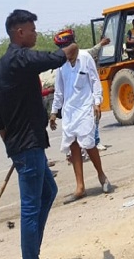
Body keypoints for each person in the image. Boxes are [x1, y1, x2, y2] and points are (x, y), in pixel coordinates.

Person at [0, 9, 76, 259]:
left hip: (26, 144)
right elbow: (47, 60)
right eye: (32, 30)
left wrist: (10, 140)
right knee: (30, 208)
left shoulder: (0, 67)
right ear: (19, 33)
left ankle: (33, 251)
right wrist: (66, 52)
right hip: (27, 146)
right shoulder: (18, 60)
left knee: (48, 192)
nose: (35, 33)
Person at [49, 29, 112, 202]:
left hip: (85, 108)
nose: (65, 51)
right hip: (69, 111)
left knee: (89, 143)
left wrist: (97, 102)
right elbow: (59, 92)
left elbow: (95, 81)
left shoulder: (86, 57)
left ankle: (102, 176)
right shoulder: (61, 64)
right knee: (73, 145)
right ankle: (80, 187)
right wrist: (54, 112)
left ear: (73, 45)